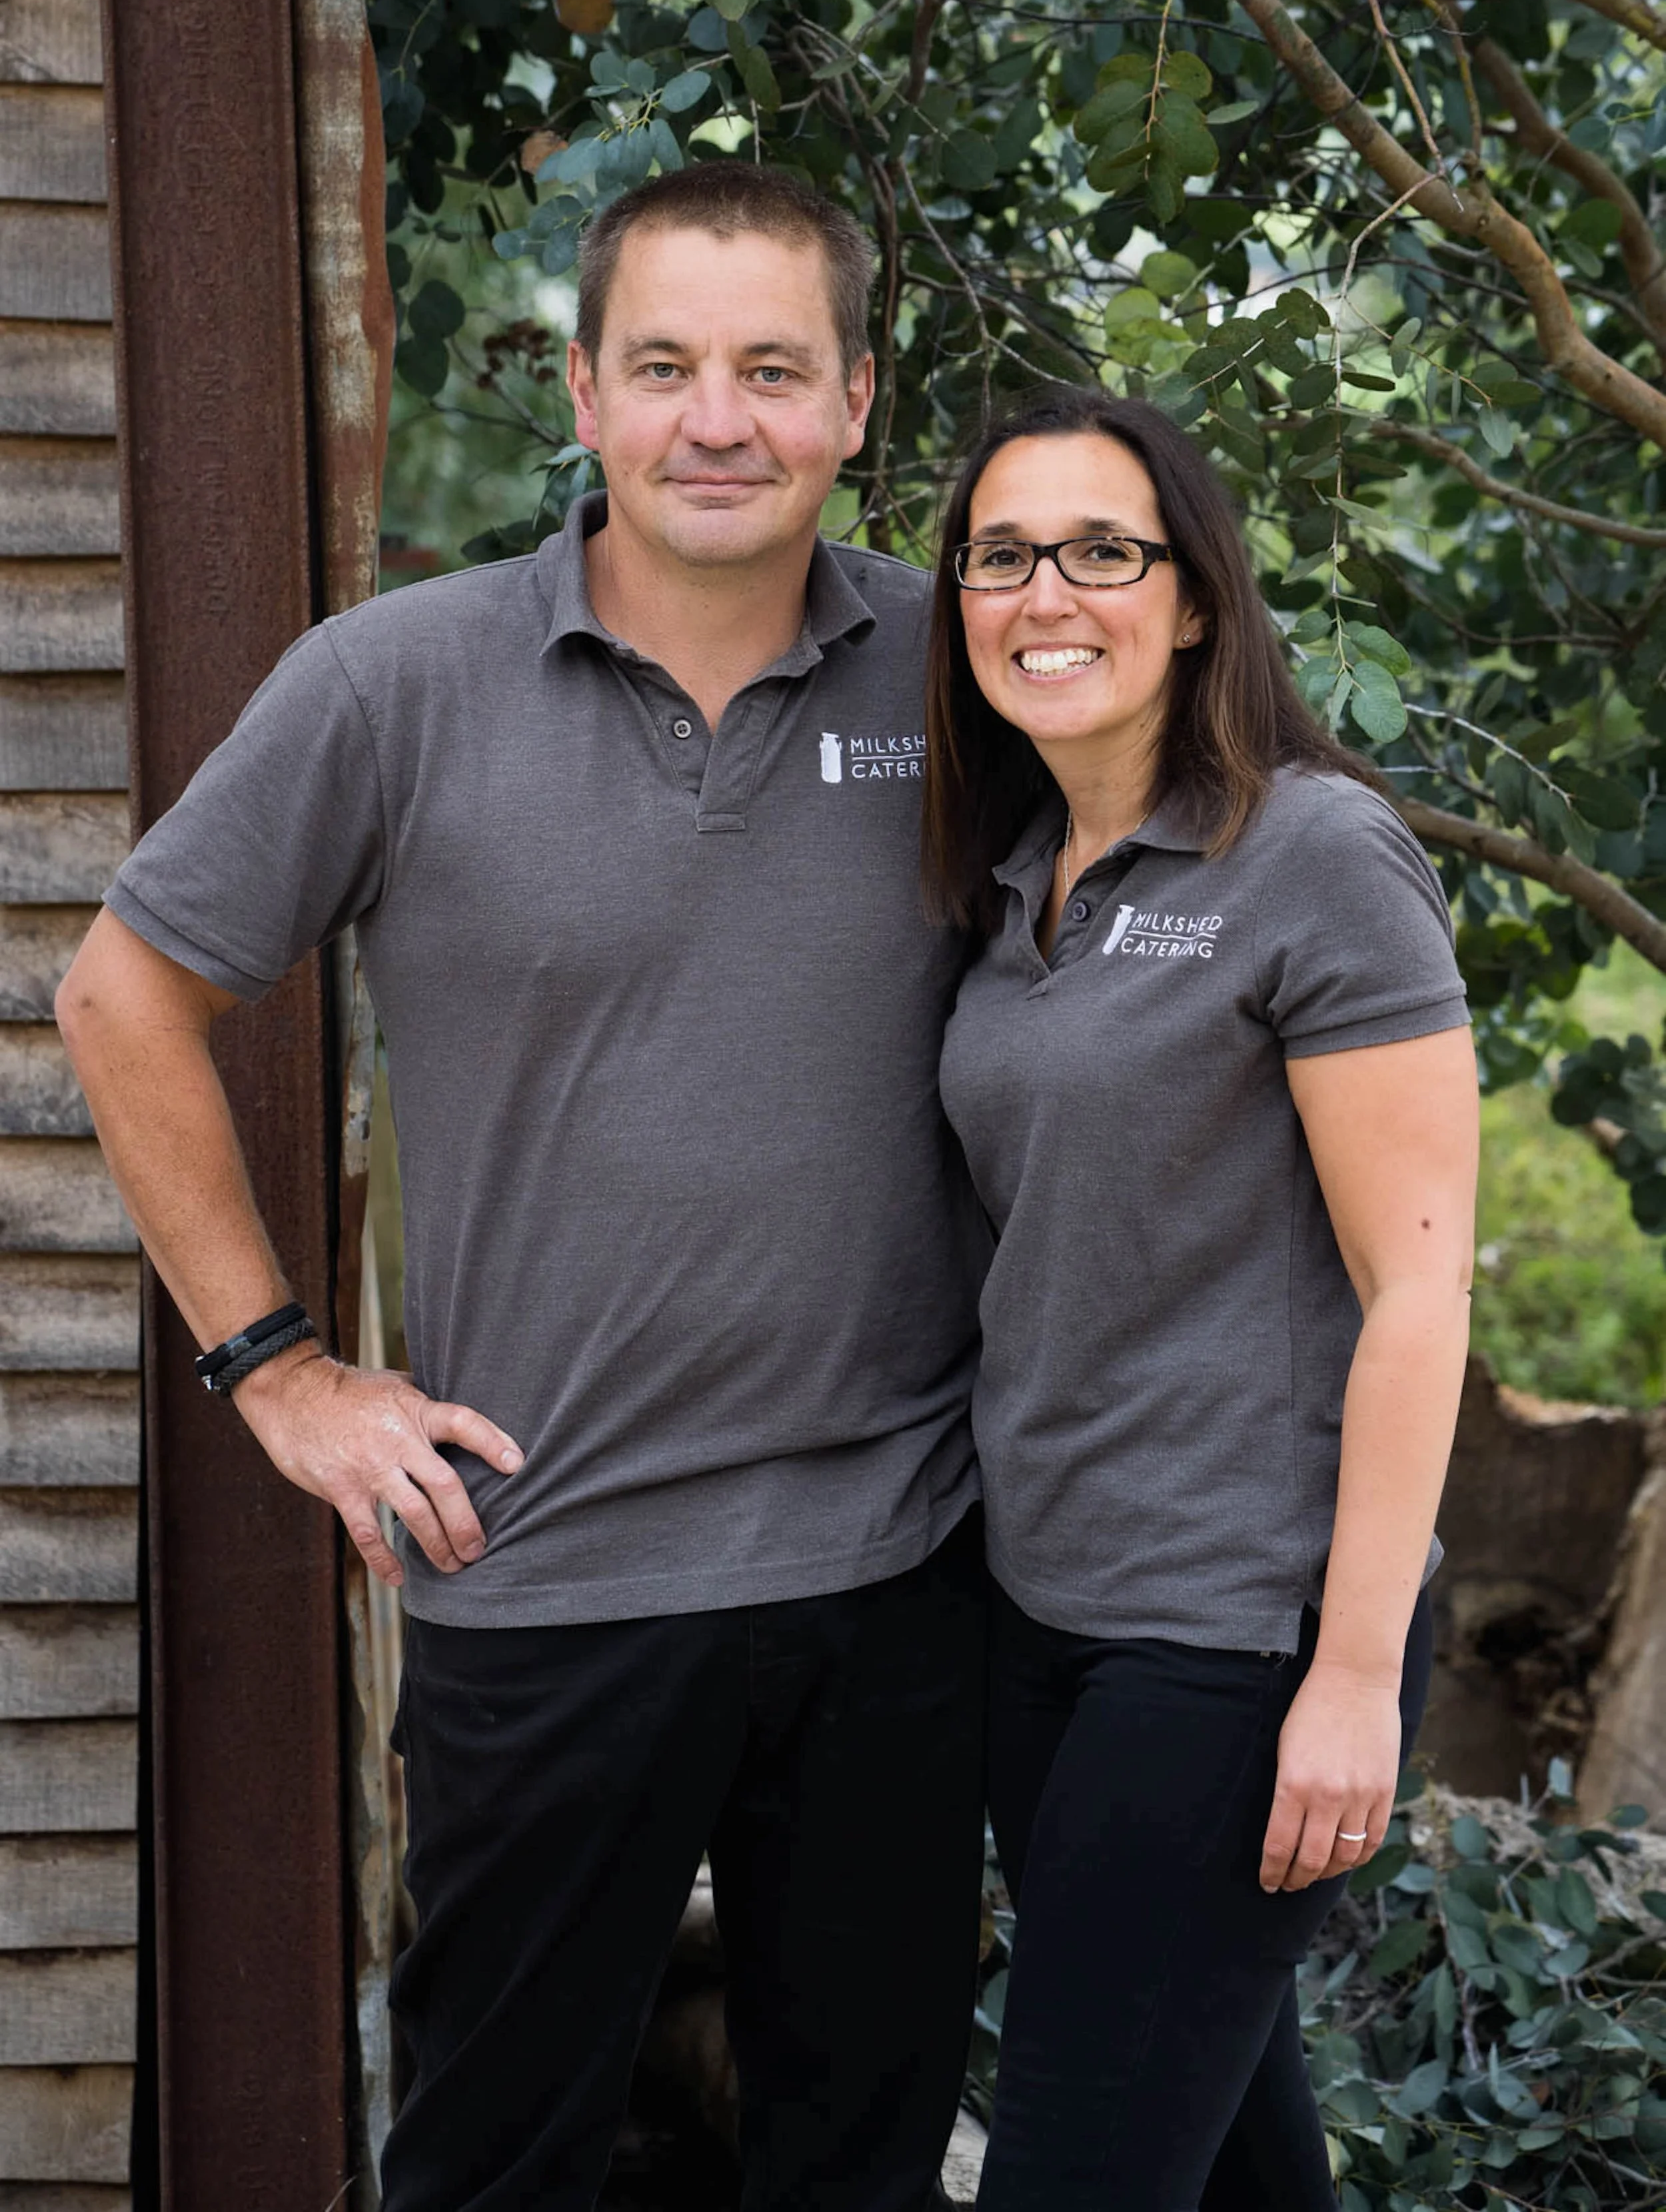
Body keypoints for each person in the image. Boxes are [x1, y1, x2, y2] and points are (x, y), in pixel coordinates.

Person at [55, 161, 992, 2212]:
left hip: (896, 1577)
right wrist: (285, 1374)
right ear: (581, 392)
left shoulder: (970, 677)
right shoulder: (390, 683)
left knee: (862, 2166)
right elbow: (121, 999)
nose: (713, 418)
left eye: (768, 366)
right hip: (546, 1569)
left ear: (853, 401)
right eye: (661, 364)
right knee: (491, 2170)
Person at [920, 386, 1478, 2211]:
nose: (1044, 591)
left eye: (1102, 548)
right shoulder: (1013, 879)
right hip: (1044, 1607)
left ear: (1191, 598)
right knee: (1235, 2169)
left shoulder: (1313, 853)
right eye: (1000, 555)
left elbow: (1416, 1294)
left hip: (1234, 1636)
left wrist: (1349, 1674)